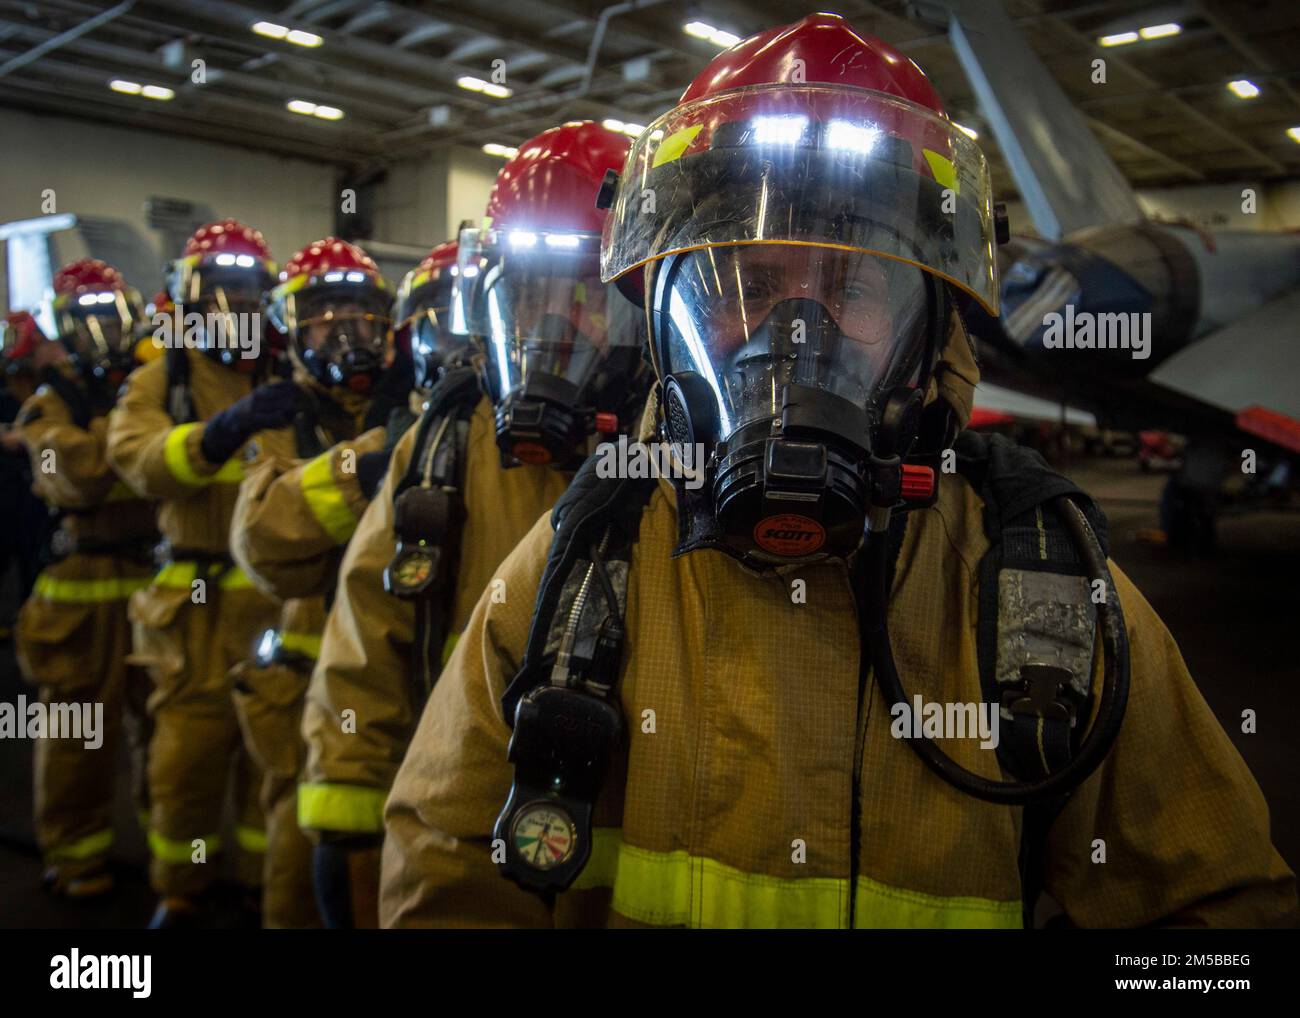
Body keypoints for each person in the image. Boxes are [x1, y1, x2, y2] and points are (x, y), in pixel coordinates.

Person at [379, 14, 1297, 928]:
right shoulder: (580, 565)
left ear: (932, 326)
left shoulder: (1041, 585)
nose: (797, 336)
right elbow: (446, 874)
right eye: (753, 286)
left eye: (851, 287)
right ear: (667, 313)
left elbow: (1220, 919)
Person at [301, 121, 651, 927]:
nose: (552, 324)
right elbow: (363, 661)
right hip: (458, 858)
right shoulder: (445, 446)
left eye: (583, 295)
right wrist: (348, 831)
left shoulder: (683, 468)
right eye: (528, 291)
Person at [106, 219, 299, 928]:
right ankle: (181, 888)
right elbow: (137, 458)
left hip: (275, 611)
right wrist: (217, 434)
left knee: (270, 757)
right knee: (184, 762)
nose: (235, 303)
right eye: (219, 288)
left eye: (247, 288)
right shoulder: (165, 379)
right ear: (187, 296)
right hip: (192, 612)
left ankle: (256, 878)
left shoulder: (286, 379)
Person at [228, 237, 414, 927]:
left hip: (406, 642)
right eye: (323, 312)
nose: (344, 327)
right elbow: (261, 542)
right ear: (292, 327)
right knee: (302, 827)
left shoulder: (420, 393)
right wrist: (369, 464)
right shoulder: (280, 412)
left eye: (360, 311)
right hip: (311, 657)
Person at [11, 261, 157, 897]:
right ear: (64, 327)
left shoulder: (151, 385)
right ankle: (74, 861)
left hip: (154, 579)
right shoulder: (48, 404)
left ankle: (172, 861)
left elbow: (155, 464)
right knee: (76, 736)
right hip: (79, 588)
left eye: (112, 315)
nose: (103, 330)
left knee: (166, 734)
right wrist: (126, 435)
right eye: (88, 317)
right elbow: (86, 473)